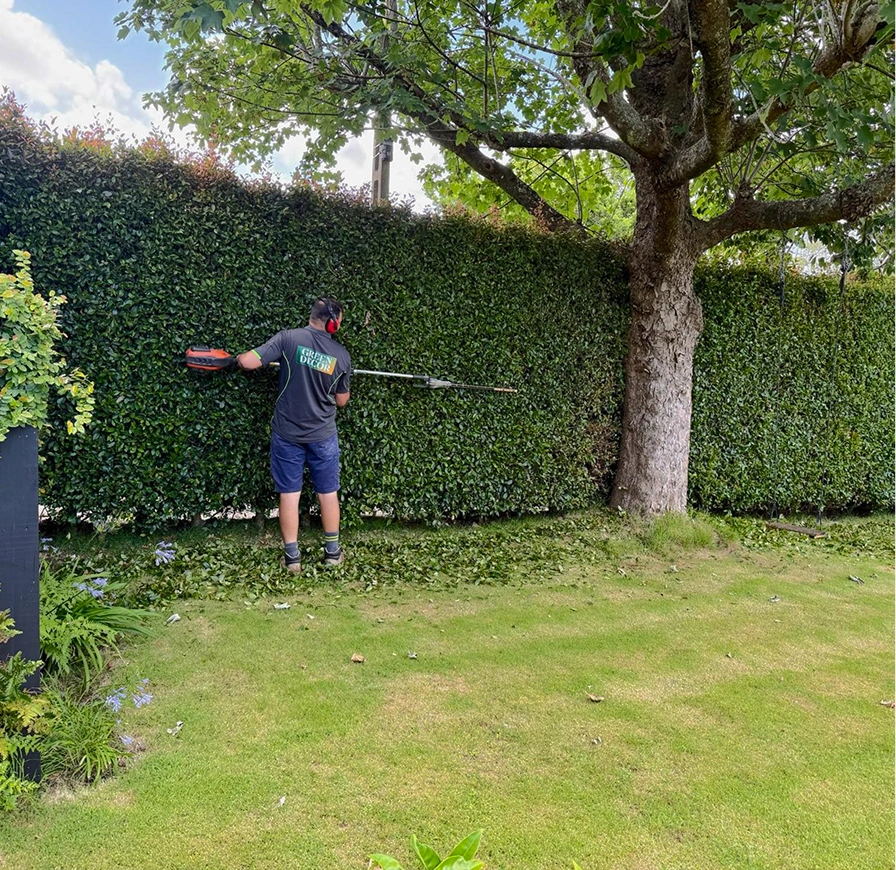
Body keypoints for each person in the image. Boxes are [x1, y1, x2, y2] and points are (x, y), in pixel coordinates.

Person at [237, 298, 351, 572]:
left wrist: (237, 358)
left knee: (290, 493)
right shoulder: (342, 355)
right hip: (323, 435)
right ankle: (333, 554)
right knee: (327, 492)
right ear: (332, 323)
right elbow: (342, 400)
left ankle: (292, 559)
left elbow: (249, 362)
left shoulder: (288, 339)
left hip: (287, 433)